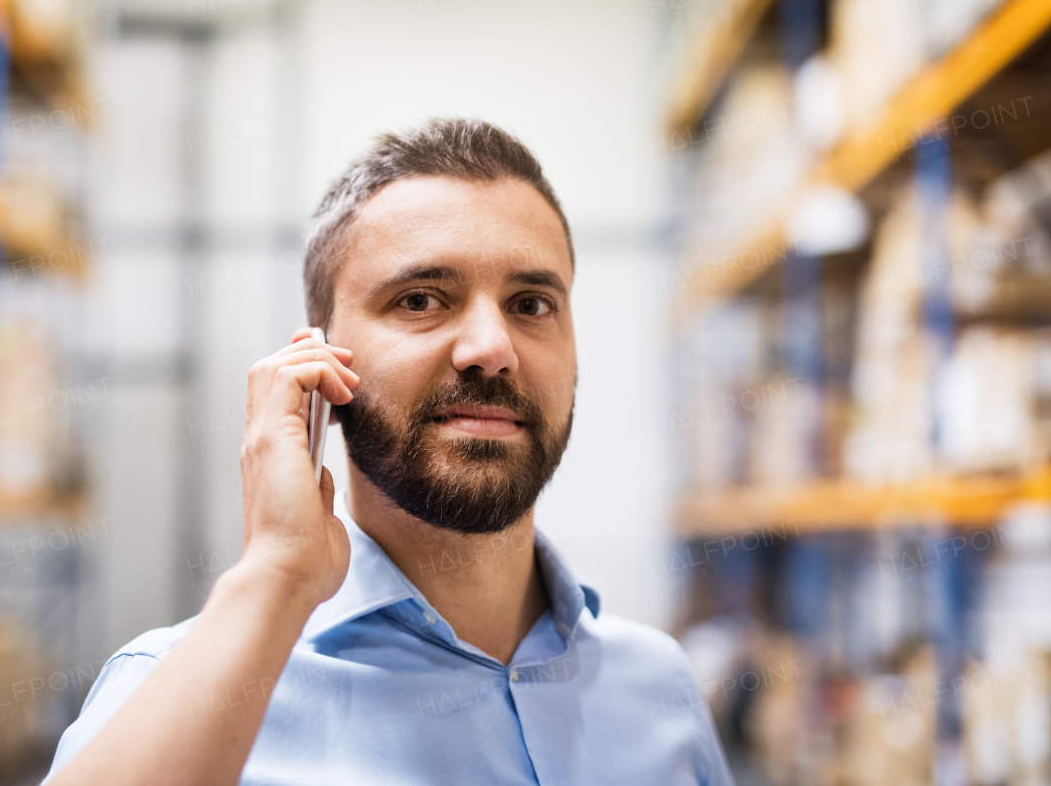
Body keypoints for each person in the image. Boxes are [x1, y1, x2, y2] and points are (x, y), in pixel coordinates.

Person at [44, 118, 733, 786]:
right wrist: (279, 574)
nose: (492, 349)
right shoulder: (174, 696)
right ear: (314, 363)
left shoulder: (661, 690)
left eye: (531, 304)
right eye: (422, 298)